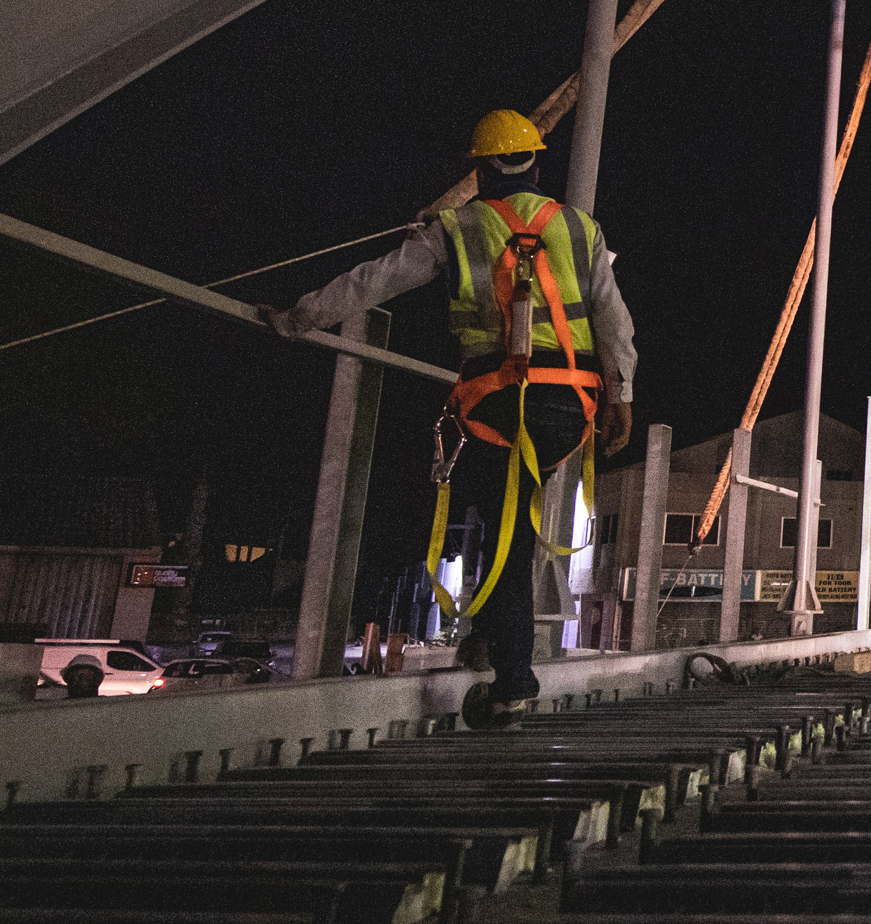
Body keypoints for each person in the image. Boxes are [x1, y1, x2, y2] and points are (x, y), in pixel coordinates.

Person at [265, 108, 635, 728]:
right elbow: (612, 317)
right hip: (569, 402)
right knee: (510, 524)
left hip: (496, 398)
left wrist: (299, 317)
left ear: (480, 169)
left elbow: (372, 281)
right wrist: (621, 394)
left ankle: (514, 680)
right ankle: (491, 643)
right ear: (538, 164)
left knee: (507, 533)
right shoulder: (580, 228)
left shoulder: (457, 227)